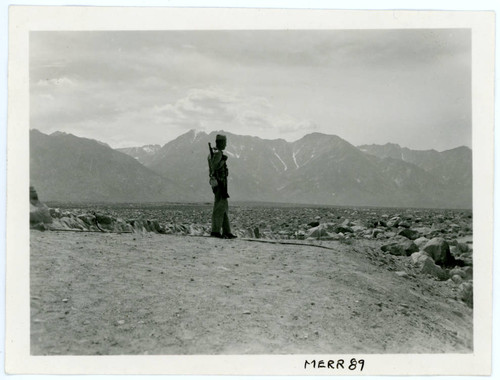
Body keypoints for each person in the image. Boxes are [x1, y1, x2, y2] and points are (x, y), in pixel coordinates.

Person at [208, 134, 236, 239]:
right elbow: (214, 167)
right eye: (224, 142)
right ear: (220, 142)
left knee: (223, 207)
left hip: (221, 183)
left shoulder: (216, 153)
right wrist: (223, 160)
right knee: (220, 207)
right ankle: (215, 231)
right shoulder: (218, 153)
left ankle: (226, 231)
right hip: (220, 183)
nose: (226, 144)